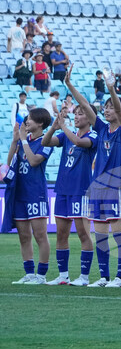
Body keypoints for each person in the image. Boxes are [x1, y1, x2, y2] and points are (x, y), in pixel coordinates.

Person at [41, 87, 97, 286]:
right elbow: (46, 143)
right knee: (61, 234)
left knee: (83, 233)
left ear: (90, 118)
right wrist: (54, 127)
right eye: (76, 113)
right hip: (63, 189)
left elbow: (78, 141)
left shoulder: (93, 136)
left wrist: (63, 126)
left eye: (81, 113)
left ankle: (84, 277)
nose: (77, 116)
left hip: (80, 191)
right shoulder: (66, 135)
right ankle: (63, 275)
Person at [85, 70, 121, 288]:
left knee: (119, 234)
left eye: (110, 106)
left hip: (117, 186)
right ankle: (104, 277)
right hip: (98, 187)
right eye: (105, 106)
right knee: (101, 234)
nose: (106, 109)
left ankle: (120, 277)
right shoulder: (102, 128)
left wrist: (112, 88)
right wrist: (68, 85)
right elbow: (86, 107)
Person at [7, 109, 54, 284]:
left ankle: (41, 275)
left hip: (36, 193)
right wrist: (15, 141)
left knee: (40, 234)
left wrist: (24, 141)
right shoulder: (24, 141)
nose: (26, 122)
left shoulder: (46, 141)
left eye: (30, 119)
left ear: (40, 123)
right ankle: (29, 273)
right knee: (23, 235)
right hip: (20, 193)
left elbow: (34, 161)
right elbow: (10, 161)